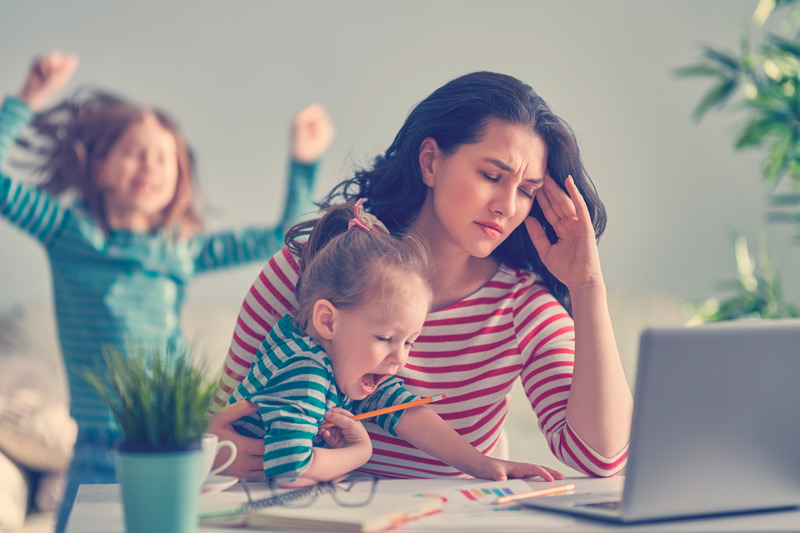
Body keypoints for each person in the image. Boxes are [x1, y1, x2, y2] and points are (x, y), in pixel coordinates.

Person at [208, 71, 633, 481]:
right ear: (430, 162)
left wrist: (587, 286)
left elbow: (600, 458)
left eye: (526, 191)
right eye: (491, 176)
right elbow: (218, 420)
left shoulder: (521, 307)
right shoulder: (312, 268)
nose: (507, 206)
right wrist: (216, 453)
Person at [0, 51, 334, 532]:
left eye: (165, 158)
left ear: (178, 179)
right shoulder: (67, 233)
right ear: (99, 169)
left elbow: (286, 233)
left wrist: (303, 162)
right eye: (135, 151)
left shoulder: (181, 249)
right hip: (99, 446)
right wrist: (28, 98)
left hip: (177, 439)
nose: (151, 164)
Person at [230, 199, 563, 486]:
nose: (399, 360)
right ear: (328, 321)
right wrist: (358, 453)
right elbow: (289, 471)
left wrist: (482, 464)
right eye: (386, 338)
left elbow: (404, 410)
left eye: (409, 343)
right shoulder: (305, 373)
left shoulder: (333, 358)